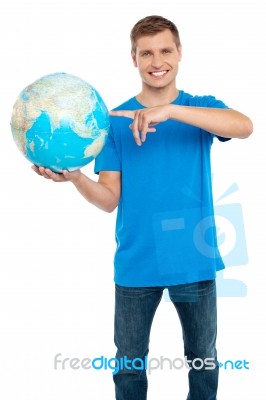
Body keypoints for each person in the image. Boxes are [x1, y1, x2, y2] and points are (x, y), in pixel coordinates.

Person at [33, 15, 253, 400]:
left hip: (193, 258)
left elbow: (244, 126)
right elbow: (109, 199)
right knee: (129, 365)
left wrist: (169, 111)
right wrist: (76, 179)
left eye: (165, 50)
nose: (157, 60)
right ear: (133, 58)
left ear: (180, 53)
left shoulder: (200, 109)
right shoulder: (114, 121)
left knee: (203, 359)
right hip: (137, 263)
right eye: (146, 52)